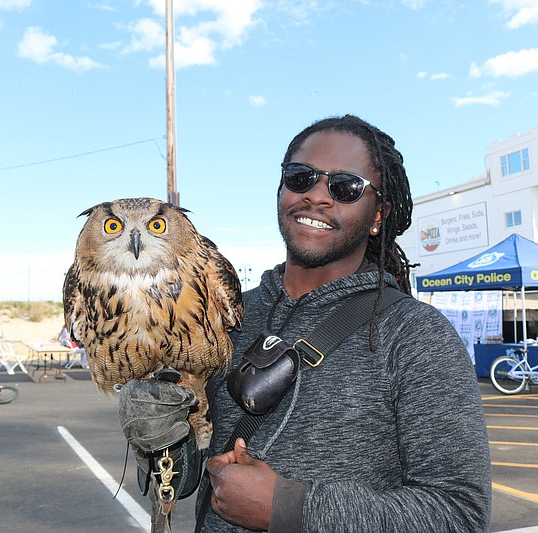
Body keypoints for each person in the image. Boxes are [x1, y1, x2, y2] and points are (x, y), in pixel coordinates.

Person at [121, 115, 492, 532]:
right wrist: (161, 441)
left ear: (378, 214)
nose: (317, 196)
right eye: (301, 177)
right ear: (281, 189)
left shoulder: (416, 335)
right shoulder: (225, 314)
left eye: (345, 187)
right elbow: (187, 473)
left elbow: (460, 513)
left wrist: (288, 507)